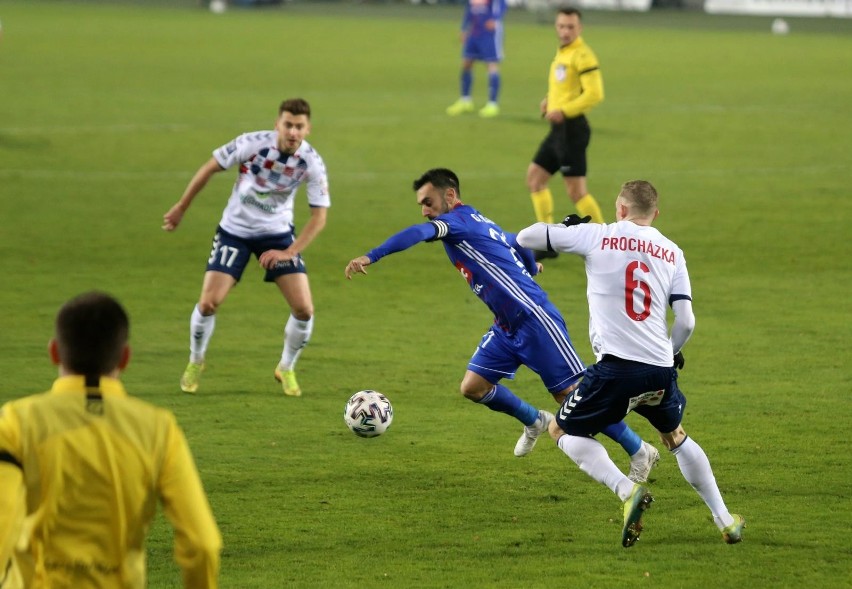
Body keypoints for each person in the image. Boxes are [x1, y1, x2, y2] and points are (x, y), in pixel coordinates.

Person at [344, 168, 658, 477]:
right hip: (507, 326)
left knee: (573, 397)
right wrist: (530, 265)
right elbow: (516, 240)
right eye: (422, 206)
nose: (425, 211)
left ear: (450, 195)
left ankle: (639, 450)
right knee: (474, 387)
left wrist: (372, 256)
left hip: (535, 319)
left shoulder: (453, 223)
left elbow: (417, 233)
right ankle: (534, 420)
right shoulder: (478, 219)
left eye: (428, 202)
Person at [517, 180, 745, 547]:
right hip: (659, 370)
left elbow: (526, 237)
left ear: (620, 209)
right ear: (655, 214)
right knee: (674, 435)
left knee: (561, 430)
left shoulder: (598, 235)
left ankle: (627, 491)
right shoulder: (673, 251)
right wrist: (670, 353)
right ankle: (725, 520)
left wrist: (567, 227)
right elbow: (686, 321)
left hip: (616, 370)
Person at [0, 291, 221, 588]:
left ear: (54, 352)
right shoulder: (158, 429)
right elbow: (203, 543)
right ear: (125, 357)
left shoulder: (16, 422)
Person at [162, 98, 330, 397]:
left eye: (299, 126)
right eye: (288, 124)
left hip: (277, 235)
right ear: (277, 124)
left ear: (308, 129)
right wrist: (181, 207)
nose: (293, 132)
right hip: (234, 231)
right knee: (209, 303)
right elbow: (209, 168)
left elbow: (319, 217)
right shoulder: (251, 144)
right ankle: (195, 361)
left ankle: (286, 367)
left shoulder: (311, 163)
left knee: (304, 309)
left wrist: (289, 252)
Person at [527, 7, 605, 261]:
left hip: (573, 131)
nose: (565, 31)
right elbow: (566, 88)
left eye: (570, 27)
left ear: (579, 29)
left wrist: (564, 110)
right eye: (561, 26)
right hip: (558, 130)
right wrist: (549, 101)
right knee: (535, 178)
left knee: (576, 192)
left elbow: (594, 94)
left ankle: (607, 243)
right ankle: (547, 242)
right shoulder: (564, 52)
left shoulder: (583, 55)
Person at [445, 0, 506, 119]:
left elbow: (502, 3)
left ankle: (492, 104)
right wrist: (464, 28)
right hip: (474, 32)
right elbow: (469, 9)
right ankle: (465, 101)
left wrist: (495, 18)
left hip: (489, 33)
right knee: (466, 63)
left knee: (491, 65)